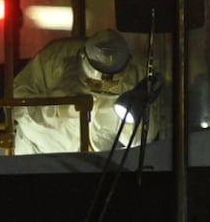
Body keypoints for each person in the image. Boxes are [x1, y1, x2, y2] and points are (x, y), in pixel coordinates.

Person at [13, 29, 159, 153]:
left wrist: (133, 113)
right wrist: (59, 110)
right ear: (82, 57)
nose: (101, 88)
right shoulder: (54, 59)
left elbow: (143, 139)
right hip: (38, 156)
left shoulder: (142, 74)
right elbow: (16, 104)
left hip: (100, 168)